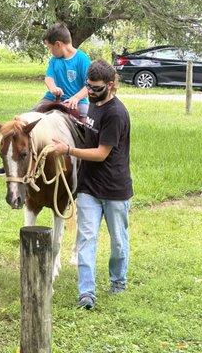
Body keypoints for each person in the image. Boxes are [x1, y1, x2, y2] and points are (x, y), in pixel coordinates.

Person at [52, 59, 133, 310]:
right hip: (88, 187)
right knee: (87, 239)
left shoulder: (116, 114)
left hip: (115, 190)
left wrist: (68, 150)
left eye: (96, 88)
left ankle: (118, 281)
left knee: (118, 240)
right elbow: (89, 132)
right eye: (88, 86)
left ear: (110, 85)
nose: (91, 92)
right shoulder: (94, 105)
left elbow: (100, 153)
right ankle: (86, 293)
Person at [0, 22, 90, 176]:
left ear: (58, 44)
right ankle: (13, 161)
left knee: (88, 128)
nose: (50, 51)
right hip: (51, 99)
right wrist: (53, 89)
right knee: (22, 122)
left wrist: (76, 98)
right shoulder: (54, 60)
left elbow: (88, 85)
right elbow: (49, 78)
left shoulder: (82, 59)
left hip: (78, 102)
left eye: (49, 47)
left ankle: (86, 165)